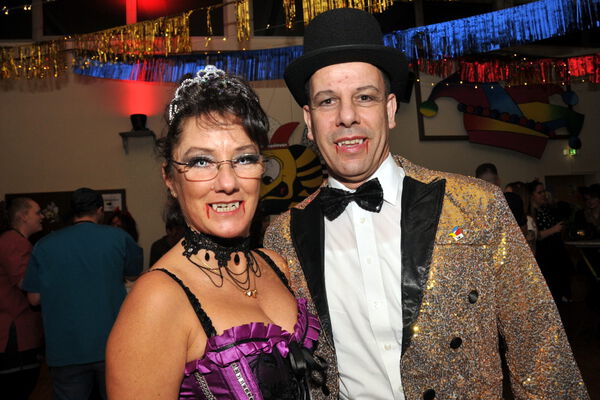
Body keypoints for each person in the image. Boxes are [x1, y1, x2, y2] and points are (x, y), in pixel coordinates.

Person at [264, 8, 588, 399]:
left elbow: (539, 345)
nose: (347, 116)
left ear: (389, 109)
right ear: (309, 120)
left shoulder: (476, 206)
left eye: (364, 97)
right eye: (327, 101)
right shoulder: (282, 235)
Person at [106, 65, 325, 399]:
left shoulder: (275, 265)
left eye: (244, 159)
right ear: (170, 179)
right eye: (201, 162)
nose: (227, 183)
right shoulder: (157, 300)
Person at [22, 188, 143, 400]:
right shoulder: (119, 238)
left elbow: (34, 298)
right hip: (111, 346)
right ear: (99, 210)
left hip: (65, 349)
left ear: (73, 212)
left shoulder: (44, 245)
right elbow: (134, 274)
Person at [0, 198, 43, 399]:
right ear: (23, 216)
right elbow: (26, 283)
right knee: (18, 388)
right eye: (37, 212)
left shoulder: (13, 240)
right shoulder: (13, 242)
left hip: (17, 331)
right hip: (15, 332)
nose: (42, 217)